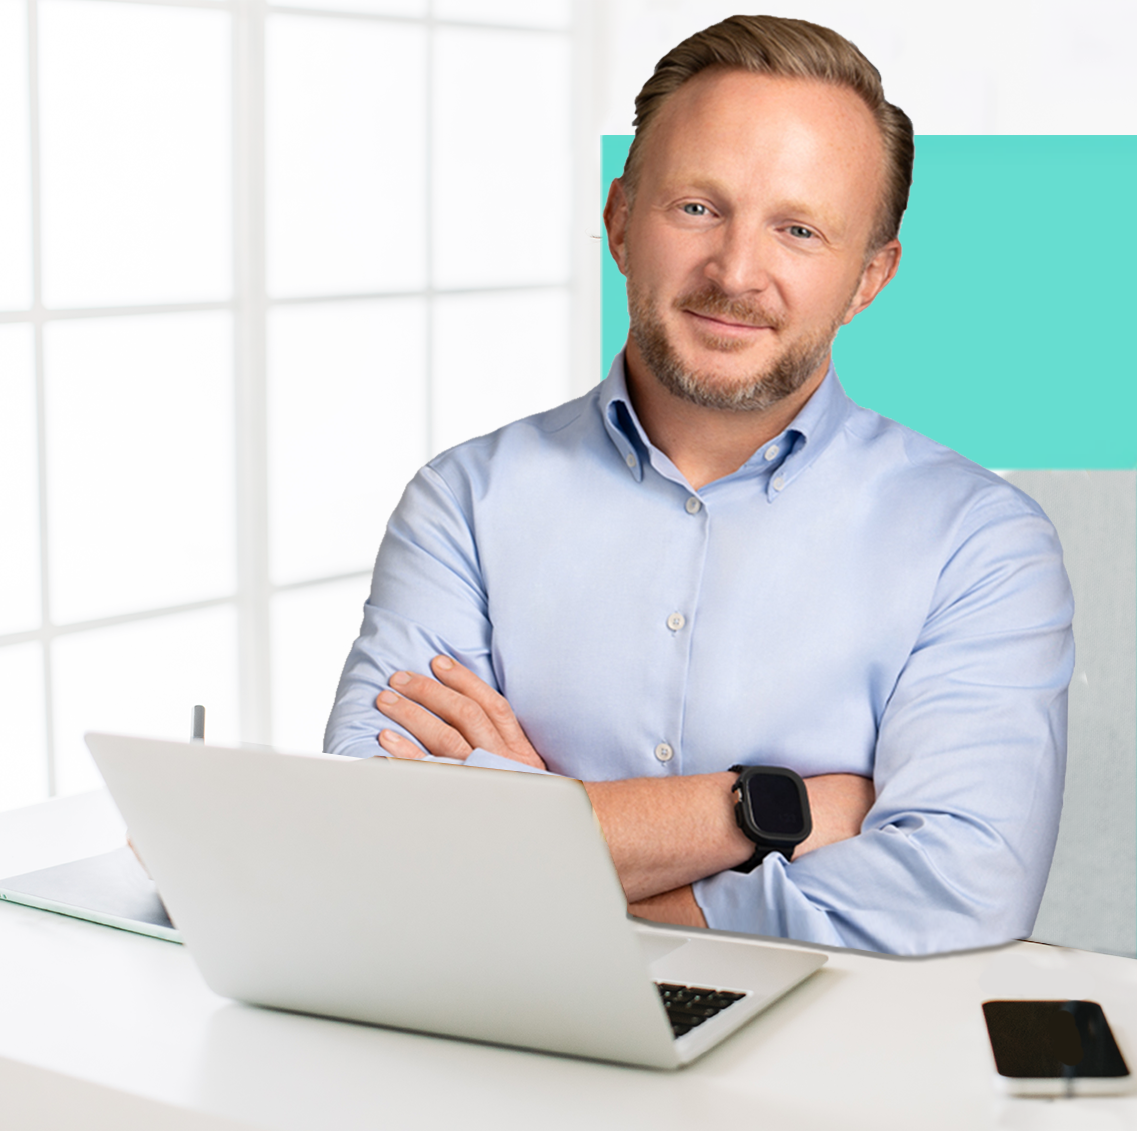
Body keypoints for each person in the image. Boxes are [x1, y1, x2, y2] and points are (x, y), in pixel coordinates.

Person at [320, 15, 1075, 955]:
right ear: (620, 221)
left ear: (869, 276)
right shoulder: (463, 504)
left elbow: (961, 887)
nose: (736, 272)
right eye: (696, 208)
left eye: (799, 229)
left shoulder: (980, 544)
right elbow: (376, 829)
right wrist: (775, 809)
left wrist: (544, 852)